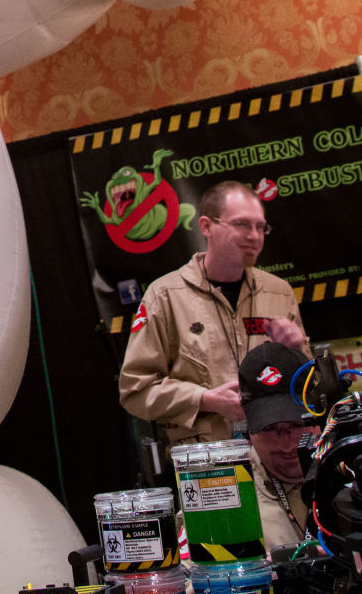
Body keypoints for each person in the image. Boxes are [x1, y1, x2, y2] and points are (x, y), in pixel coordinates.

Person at [119, 180, 309, 445]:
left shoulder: (279, 293)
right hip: (208, 463)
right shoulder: (165, 296)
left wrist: (297, 352)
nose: (254, 236)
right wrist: (205, 399)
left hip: (278, 453)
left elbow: (313, 388)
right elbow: (135, 391)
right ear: (207, 226)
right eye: (242, 224)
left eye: (260, 226)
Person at [237, 342, 314, 551]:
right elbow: (185, 578)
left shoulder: (350, 471)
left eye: (297, 425)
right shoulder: (224, 491)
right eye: (270, 428)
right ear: (248, 427)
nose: (286, 444)